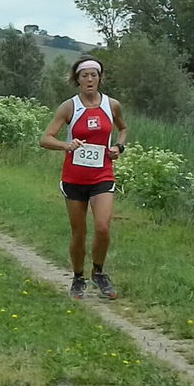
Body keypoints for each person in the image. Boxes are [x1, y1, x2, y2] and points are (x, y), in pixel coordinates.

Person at [39, 56, 127, 300]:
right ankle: (78, 277)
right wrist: (67, 145)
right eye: (84, 75)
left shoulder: (112, 105)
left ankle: (98, 273)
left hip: (102, 174)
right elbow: (45, 138)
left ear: (100, 78)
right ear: (77, 79)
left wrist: (119, 148)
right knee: (78, 232)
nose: (90, 79)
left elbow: (123, 129)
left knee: (102, 226)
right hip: (74, 178)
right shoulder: (69, 107)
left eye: (94, 75)